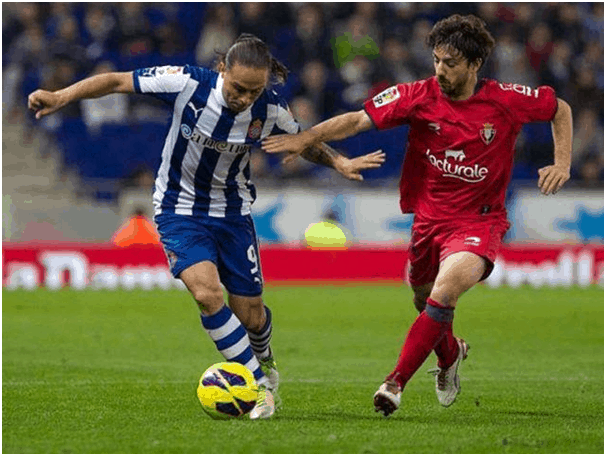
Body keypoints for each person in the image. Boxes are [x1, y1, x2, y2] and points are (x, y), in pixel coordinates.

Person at [28, 33, 386, 419]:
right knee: (206, 293)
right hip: (178, 208)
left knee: (250, 313)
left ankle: (265, 360)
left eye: (254, 90)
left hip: (233, 213)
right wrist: (61, 96)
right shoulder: (187, 83)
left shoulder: (269, 108)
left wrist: (339, 162)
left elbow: (303, 141)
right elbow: (117, 80)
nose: (245, 98)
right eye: (238, 88)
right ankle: (257, 385)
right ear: (222, 70)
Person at [263, 15, 572, 417]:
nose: (441, 70)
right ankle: (450, 354)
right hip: (428, 220)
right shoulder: (417, 95)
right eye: (437, 60)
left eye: (451, 63)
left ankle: (394, 384)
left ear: (475, 65)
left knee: (443, 294)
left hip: (479, 221)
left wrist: (561, 162)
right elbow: (358, 120)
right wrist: (307, 137)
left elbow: (559, 108)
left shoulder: (504, 99)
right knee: (423, 300)